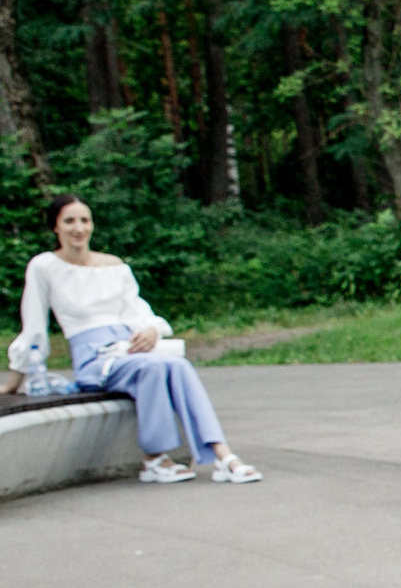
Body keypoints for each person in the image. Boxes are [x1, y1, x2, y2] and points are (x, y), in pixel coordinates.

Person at [3, 197, 262, 482]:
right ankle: (154, 459)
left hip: (131, 348)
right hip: (95, 360)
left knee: (178, 366)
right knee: (152, 368)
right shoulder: (44, 266)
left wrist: (151, 330)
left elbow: (139, 312)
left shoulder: (114, 266)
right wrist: (15, 381)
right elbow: (34, 327)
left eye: (84, 220)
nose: (78, 228)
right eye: (69, 221)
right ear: (55, 227)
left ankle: (224, 456)